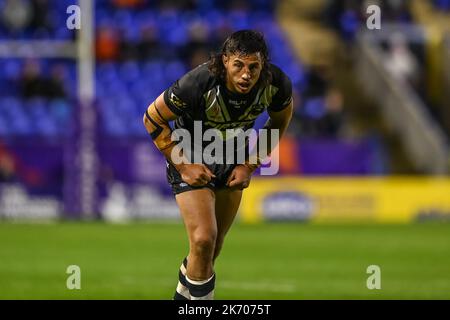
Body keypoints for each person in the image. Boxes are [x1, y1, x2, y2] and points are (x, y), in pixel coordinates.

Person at [143, 30, 293, 300]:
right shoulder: (198, 83)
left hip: (233, 159)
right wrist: (185, 166)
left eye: (253, 67)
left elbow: (279, 121)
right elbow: (152, 118)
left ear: (263, 65)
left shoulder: (276, 84)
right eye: (238, 65)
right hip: (191, 156)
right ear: (225, 61)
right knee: (203, 239)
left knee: (211, 248)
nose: (246, 74)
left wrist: (249, 165)